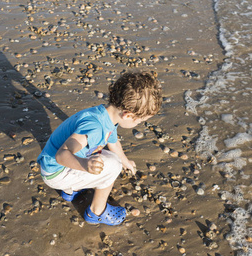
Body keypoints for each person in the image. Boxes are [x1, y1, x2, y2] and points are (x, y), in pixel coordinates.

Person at [37, 71, 162, 225]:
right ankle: (96, 212)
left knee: (113, 158)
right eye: (139, 121)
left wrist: (127, 162)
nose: (138, 125)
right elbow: (61, 155)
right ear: (127, 115)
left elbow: (113, 142)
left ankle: (71, 191)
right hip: (56, 172)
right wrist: (84, 165)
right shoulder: (95, 128)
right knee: (113, 164)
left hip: (57, 167)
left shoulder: (105, 115)